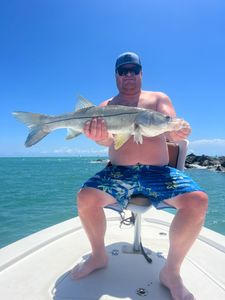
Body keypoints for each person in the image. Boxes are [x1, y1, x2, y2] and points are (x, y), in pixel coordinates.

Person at [71, 52, 208, 300]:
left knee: (198, 201)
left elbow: (170, 124)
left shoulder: (158, 98)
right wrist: (100, 137)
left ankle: (172, 272)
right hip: (118, 172)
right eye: (123, 71)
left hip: (158, 173)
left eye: (134, 69)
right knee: (84, 198)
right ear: (116, 76)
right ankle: (98, 256)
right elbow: (107, 141)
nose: (129, 75)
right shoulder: (105, 107)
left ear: (141, 73)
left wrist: (177, 130)